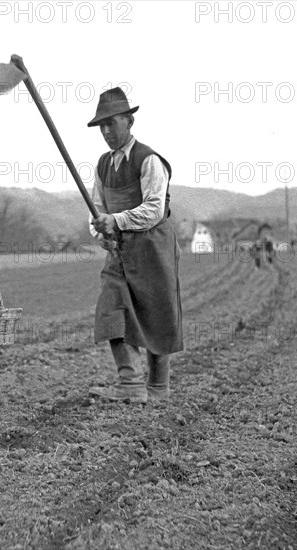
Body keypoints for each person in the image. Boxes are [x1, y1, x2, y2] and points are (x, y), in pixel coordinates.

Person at [87, 87, 183, 405]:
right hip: (119, 249)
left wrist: (115, 221)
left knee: (155, 312)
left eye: (111, 123)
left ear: (128, 121)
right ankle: (130, 382)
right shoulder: (102, 165)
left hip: (153, 246)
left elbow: (154, 210)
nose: (106, 131)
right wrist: (100, 230)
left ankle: (158, 387)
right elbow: (96, 209)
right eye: (101, 126)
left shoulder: (150, 160)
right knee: (110, 308)